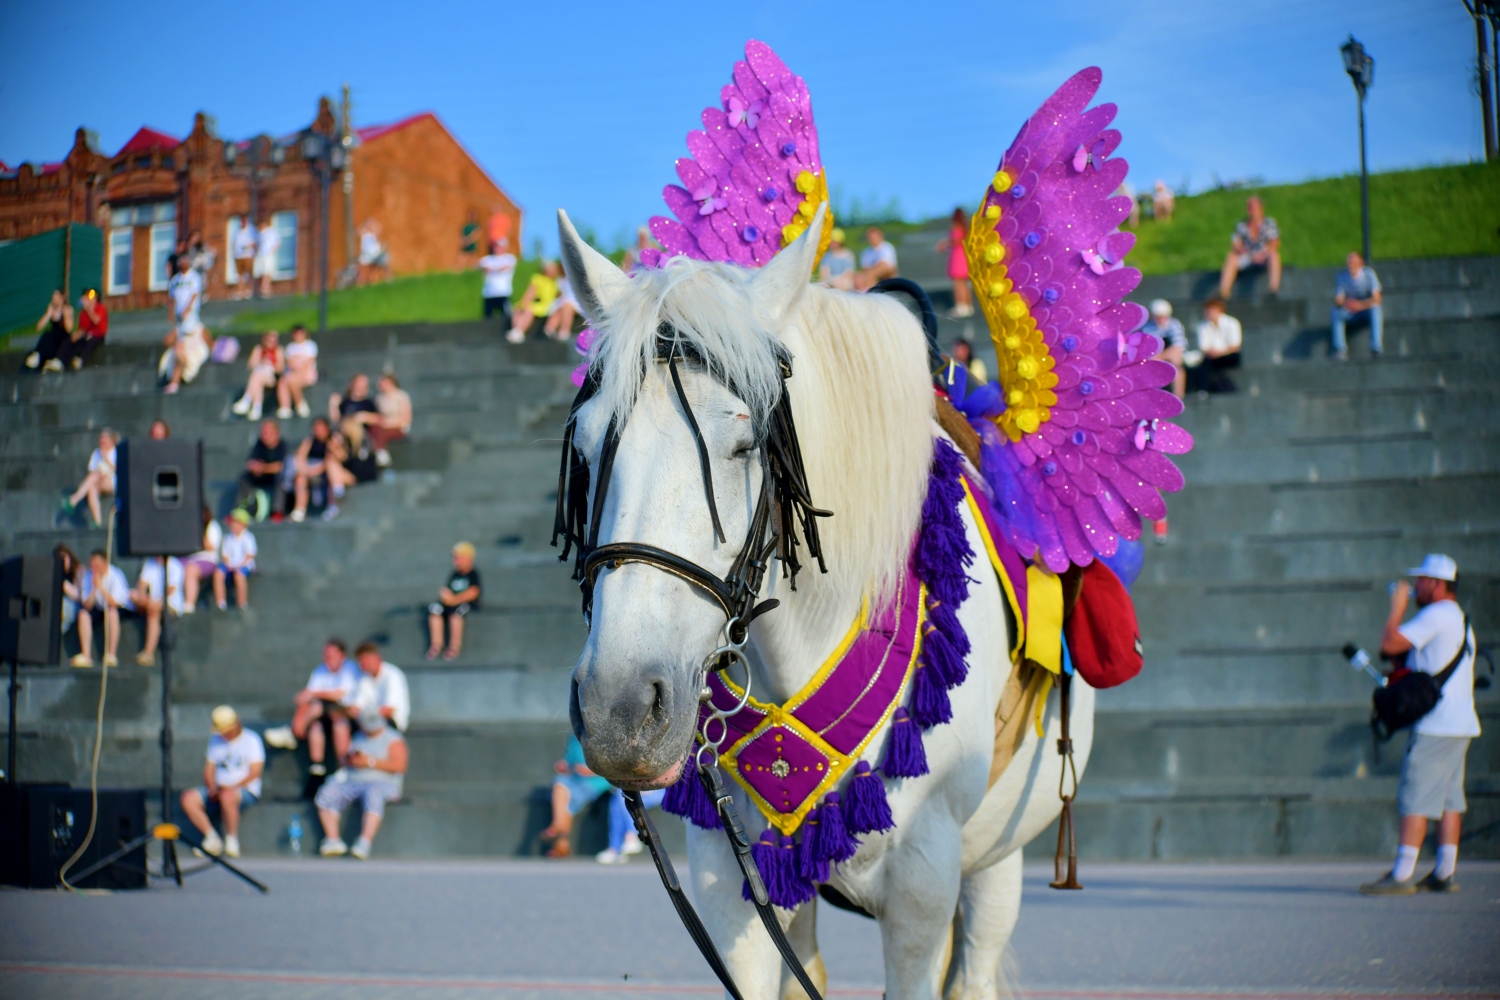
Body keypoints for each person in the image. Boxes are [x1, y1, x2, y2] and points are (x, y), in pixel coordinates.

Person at [1360, 555, 1480, 895]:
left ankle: (1401, 874)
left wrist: (1397, 607)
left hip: (1437, 725)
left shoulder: (1436, 614)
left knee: (1415, 796)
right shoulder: (1460, 618)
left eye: (1422, 581)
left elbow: (1390, 643)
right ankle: (1444, 871)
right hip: (1461, 723)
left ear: (1437, 584)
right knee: (1448, 801)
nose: (1416, 587)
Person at [315, 707, 408, 859]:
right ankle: (333, 839)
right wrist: (351, 760)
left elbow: (400, 766)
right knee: (327, 793)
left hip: (382, 783)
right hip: (354, 781)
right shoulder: (358, 737)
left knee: (374, 794)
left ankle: (364, 842)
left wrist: (369, 762)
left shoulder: (393, 739)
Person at [265, 638, 359, 782]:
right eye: (325, 655)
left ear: (342, 655)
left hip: (347, 714)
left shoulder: (351, 668)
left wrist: (313, 694)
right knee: (315, 726)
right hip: (325, 715)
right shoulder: (320, 670)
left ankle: (343, 766)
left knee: (335, 720)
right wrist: (298, 720)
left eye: (331, 655)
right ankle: (317, 766)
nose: (327, 659)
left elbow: (338, 694)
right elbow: (303, 699)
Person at [180, 705, 264, 859]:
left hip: (244, 790)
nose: (224, 734)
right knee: (188, 798)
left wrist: (231, 787)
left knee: (228, 796)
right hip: (220, 788)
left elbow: (255, 772)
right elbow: (209, 769)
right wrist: (212, 788)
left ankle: (231, 840)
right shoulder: (216, 739)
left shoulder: (252, 740)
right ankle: (211, 838)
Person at [540, 734, 611, 859]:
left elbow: (613, 765)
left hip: (597, 781)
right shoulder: (573, 737)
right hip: (575, 780)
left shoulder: (603, 734)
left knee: (564, 794)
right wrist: (564, 766)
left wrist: (591, 771)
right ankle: (559, 831)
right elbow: (569, 761)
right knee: (560, 782)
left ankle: (560, 837)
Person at [71, 550, 133, 668]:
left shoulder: (115, 574)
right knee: (83, 614)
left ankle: (111, 654)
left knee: (112, 613)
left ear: (105, 563)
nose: (94, 568)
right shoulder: (88, 576)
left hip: (120, 608)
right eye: (92, 565)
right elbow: (87, 605)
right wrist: (94, 588)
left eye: (97, 565)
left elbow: (114, 602)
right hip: (99, 607)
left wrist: (100, 586)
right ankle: (86, 656)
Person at [161, 255, 212, 395]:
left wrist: (188, 309)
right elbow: (171, 298)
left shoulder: (194, 277)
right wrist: (171, 314)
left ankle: (174, 383)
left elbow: (195, 294)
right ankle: (174, 381)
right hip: (180, 319)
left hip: (190, 316)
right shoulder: (175, 280)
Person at [291, 417, 355, 522]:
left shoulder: (334, 440)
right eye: (316, 429)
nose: (318, 432)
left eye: (321, 428)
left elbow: (337, 459)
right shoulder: (309, 442)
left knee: (332, 474)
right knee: (300, 478)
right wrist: (306, 470)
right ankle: (299, 511)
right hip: (313, 472)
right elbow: (299, 458)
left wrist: (334, 447)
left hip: (331, 473)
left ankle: (333, 504)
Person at [426, 541, 482, 660]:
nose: (456, 561)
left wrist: (454, 600)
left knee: (456, 614)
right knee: (435, 610)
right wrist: (445, 596)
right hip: (452, 603)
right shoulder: (455, 574)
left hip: (464, 605)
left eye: (459, 558)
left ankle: (454, 646)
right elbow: (448, 590)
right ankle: (436, 645)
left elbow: (474, 592)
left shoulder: (472, 574)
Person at [1219, 195, 1281, 298]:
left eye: (1254, 207)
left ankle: (1273, 289)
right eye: (1249, 207)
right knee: (1231, 257)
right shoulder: (1241, 225)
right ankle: (1224, 293)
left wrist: (1263, 253)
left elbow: (1274, 242)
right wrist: (1245, 253)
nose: (1251, 210)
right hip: (1247, 256)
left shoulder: (1269, 223)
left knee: (1274, 255)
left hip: (1264, 255)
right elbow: (1235, 243)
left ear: (1261, 208)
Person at [129, 556, 184, 666]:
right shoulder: (150, 563)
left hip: (170, 605)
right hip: (152, 602)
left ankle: (148, 653)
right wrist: (142, 596)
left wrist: (156, 602)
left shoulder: (175, 565)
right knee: (133, 595)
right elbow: (142, 584)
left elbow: (171, 589)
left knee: (153, 613)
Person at [1331, 251, 1383, 361]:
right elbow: (1339, 299)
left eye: (1353, 260)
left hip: (1365, 311)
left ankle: (1375, 347)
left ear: (1361, 263)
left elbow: (1377, 299)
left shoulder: (1369, 274)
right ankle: (1340, 349)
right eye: (1349, 260)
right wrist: (1346, 303)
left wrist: (1359, 305)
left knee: (1376, 310)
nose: (1350, 263)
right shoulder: (1341, 277)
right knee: (1336, 312)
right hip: (1350, 313)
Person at [62, 429, 118, 528]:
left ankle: (73, 500)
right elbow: (91, 472)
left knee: (94, 477)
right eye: (100, 440)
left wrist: (106, 459)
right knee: (92, 489)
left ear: (111, 441)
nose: (101, 442)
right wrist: (99, 475)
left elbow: (118, 470)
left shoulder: (116, 452)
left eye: (104, 440)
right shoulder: (97, 453)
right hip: (99, 481)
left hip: (113, 482)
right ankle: (97, 521)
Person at [352, 641, 410, 733]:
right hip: (369, 719)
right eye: (360, 660)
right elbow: (357, 706)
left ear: (376, 657)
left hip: (392, 721)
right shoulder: (364, 679)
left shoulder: (392, 675)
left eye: (365, 659)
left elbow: (389, 710)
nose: (363, 663)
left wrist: (366, 714)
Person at [597, 787, 665, 864]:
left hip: (658, 791)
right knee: (617, 801)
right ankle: (622, 844)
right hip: (638, 790)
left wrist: (648, 788)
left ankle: (618, 845)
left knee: (622, 797)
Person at [1190, 297, 1242, 395]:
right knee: (1208, 363)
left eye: (1212, 310)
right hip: (1212, 357)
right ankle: (1205, 389)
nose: (1209, 313)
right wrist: (1213, 352)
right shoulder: (1202, 326)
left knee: (1209, 365)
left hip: (1229, 355)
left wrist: (1219, 352)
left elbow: (1235, 346)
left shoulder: (1232, 323)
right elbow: (1203, 347)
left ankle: (1204, 388)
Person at [239, 419, 287, 520]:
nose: (264, 434)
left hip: (275, 478)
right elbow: (250, 462)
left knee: (281, 479)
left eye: (267, 432)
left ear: (276, 433)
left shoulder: (283, 446)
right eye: (263, 431)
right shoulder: (259, 444)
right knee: (245, 477)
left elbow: (280, 466)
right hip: (260, 476)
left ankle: (277, 511)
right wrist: (253, 467)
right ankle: (241, 508)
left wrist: (263, 468)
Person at [231, 331, 284, 420]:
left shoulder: (278, 350)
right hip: (260, 375)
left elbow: (280, 369)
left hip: (272, 377)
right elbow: (250, 365)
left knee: (256, 376)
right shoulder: (258, 349)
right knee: (257, 380)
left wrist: (271, 363)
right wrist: (261, 361)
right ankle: (256, 409)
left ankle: (247, 400)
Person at [506, 262, 561, 344]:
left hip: (549, 306)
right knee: (522, 307)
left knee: (529, 309)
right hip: (540, 305)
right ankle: (517, 330)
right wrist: (523, 303)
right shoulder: (538, 279)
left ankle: (518, 331)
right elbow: (530, 294)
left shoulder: (557, 282)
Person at [1144, 299, 1188, 401]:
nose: (1160, 319)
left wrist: (1159, 357)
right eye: (1158, 316)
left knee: (1176, 361)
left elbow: (1178, 347)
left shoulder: (1174, 325)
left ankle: (1178, 396)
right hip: (1155, 357)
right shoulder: (1148, 328)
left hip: (1169, 356)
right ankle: (1152, 397)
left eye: (1163, 316)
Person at [214, 509, 257, 610]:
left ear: (243, 524)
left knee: (239, 575)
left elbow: (249, 555)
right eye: (232, 522)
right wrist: (228, 564)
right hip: (230, 566)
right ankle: (221, 603)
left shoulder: (248, 537)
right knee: (218, 574)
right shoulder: (228, 537)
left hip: (244, 566)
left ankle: (241, 604)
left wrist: (238, 566)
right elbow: (225, 555)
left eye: (236, 522)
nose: (233, 525)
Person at [182, 505, 221, 613]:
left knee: (190, 569)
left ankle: (189, 606)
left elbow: (211, 547)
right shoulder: (188, 526)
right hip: (187, 558)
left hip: (207, 560)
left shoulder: (213, 526)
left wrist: (201, 533)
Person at [24, 289, 75, 372]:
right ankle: (37, 356)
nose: (53, 298)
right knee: (47, 334)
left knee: (62, 338)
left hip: (63, 338)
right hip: (54, 338)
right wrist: (48, 314)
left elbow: (69, 329)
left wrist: (65, 314)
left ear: (62, 298)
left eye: (56, 295)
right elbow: (39, 326)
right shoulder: (51, 309)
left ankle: (57, 361)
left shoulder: (68, 309)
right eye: (53, 296)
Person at [935, 210, 972, 317]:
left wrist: (945, 243)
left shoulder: (956, 227)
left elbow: (956, 240)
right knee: (963, 283)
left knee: (958, 283)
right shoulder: (965, 227)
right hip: (963, 256)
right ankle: (967, 305)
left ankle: (961, 305)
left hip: (957, 257)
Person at [276, 324, 317, 419]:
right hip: (293, 374)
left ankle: (300, 404)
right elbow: (290, 363)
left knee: (289, 380)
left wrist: (298, 369)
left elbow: (308, 362)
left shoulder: (310, 345)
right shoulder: (290, 347)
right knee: (283, 381)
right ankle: (285, 407)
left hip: (307, 374)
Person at [371, 373, 412, 467]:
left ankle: (381, 451)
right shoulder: (379, 398)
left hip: (398, 427)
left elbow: (406, 418)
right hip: (382, 427)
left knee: (379, 431)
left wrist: (387, 424)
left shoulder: (401, 396)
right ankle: (380, 452)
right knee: (375, 428)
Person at [329, 372, 379, 450]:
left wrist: (365, 417)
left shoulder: (368, 403)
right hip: (344, 432)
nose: (361, 388)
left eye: (364, 385)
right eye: (359, 385)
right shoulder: (344, 402)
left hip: (362, 434)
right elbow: (335, 419)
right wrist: (333, 406)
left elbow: (378, 418)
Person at [62, 288, 108, 370]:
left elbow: (96, 320)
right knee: (72, 341)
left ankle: (81, 360)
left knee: (91, 341)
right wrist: (76, 335)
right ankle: (62, 361)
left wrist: (88, 308)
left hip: (98, 337)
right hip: (87, 336)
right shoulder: (83, 313)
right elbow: (82, 328)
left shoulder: (101, 308)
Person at [479, 239, 517, 327]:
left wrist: (492, 269)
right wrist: (496, 269)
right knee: (487, 317)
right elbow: (483, 268)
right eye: (495, 246)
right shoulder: (486, 259)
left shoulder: (509, 258)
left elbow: (504, 268)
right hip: (489, 293)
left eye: (499, 246)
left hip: (503, 292)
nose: (497, 248)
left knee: (506, 316)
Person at [854, 226, 898, 291]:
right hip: (873, 275)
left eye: (874, 237)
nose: (873, 239)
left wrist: (870, 273)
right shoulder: (866, 252)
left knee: (873, 273)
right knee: (858, 277)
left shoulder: (887, 247)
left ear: (880, 236)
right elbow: (865, 269)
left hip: (887, 274)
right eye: (870, 237)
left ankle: (871, 293)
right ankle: (866, 293)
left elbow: (883, 265)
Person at [55, 544, 84, 645]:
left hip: (75, 605)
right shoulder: (54, 572)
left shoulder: (79, 570)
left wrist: (65, 586)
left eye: (64, 557)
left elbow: (81, 596)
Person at [545, 270, 581, 341]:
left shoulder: (577, 278)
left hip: (575, 303)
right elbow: (559, 294)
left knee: (566, 305)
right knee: (560, 309)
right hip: (563, 302)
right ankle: (550, 329)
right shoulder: (559, 280)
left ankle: (564, 330)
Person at [231, 218, 258, 299]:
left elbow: (255, 242)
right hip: (238, 255)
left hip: (248, 255)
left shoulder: (251, 230)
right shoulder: (237, 231)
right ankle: (240, 291)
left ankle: (248, 290)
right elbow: (233, 243)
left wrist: (248, 246)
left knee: (249, 273)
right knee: (239, 274)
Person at [357, 219, 389, 285]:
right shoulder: (363, 232)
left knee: (378, 267)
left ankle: (388, 279)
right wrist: (364, 225)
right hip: (366, 254)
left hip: (374, 253)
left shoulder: (374, 232)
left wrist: (373, 225)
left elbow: (379, 230)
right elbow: (357, 232)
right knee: (363, 268)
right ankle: (362, 282)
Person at [255, 218, 281, 299]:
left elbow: (278, 242)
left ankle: (265, 289)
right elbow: (258, 244)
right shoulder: (260, 233)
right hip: (261, 255)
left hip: (268, 255)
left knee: (267, 272)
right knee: (261, 272)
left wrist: (272, 251)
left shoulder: (271, 231)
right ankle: (265, 288)